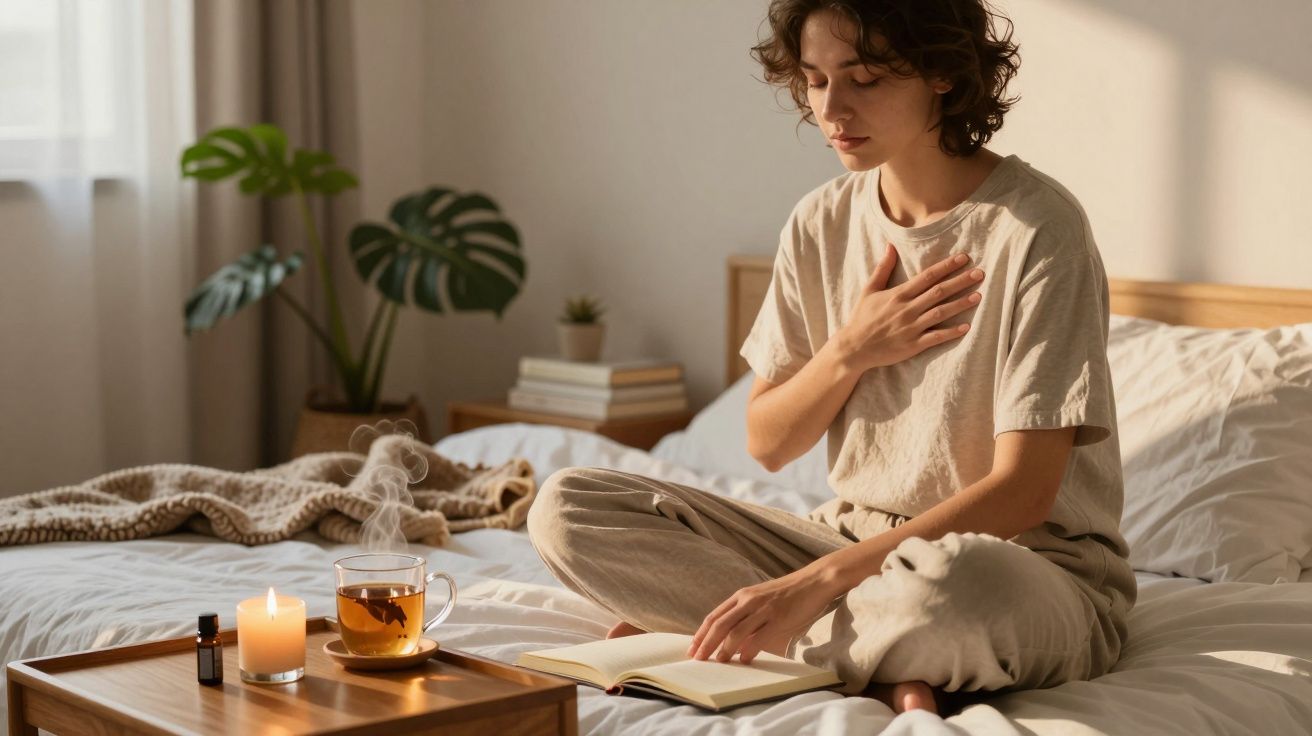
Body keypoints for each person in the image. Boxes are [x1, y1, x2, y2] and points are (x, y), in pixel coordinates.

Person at [527, 0, 1136, 717]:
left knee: (954, 587)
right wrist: (851, 349)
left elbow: (1024, 493)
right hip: (841, 544)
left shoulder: (1038, 228)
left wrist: (812, 587)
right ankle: (865, 660)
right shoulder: (820, 222)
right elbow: (769, 441)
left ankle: (743, 632)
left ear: (941, 72)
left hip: (1024, 568)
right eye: (815, 80)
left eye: (864, 78)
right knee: (564, 509)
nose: (832, 109)